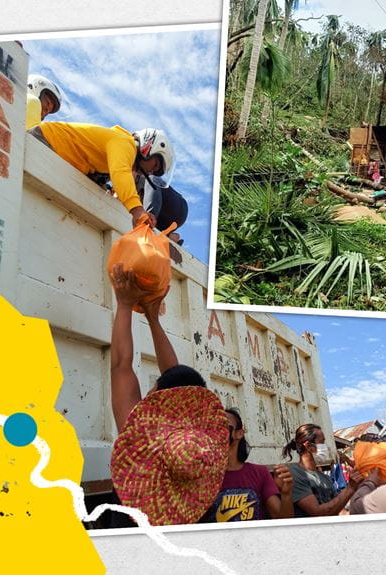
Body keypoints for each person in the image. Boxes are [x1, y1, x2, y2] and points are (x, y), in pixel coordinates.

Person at [108, 263, 228, 526]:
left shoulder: (140, 437)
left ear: (156, 395)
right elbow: (175, 377)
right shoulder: (201, 452)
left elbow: (121, 366)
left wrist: (124, 303)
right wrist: (153, 320)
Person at [30, 122, 175, 229]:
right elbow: (120, 173)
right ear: (149, 147)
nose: (150, 172)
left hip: (52, 151)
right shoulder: (125, 143)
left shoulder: (118, 152)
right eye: (155, 166)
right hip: (45, 140)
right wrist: (137, 210)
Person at [200, 408, 294, 522]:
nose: (217, 431)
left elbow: (283, 520)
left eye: (224, 425)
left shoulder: (260, 473)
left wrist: (286, 494)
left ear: (239, 433)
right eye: (212, 427)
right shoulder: (201, 476)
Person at [282, 424, 364, 517]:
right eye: (322, 442)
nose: (326, 447)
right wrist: (350, 488)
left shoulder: (325, 478)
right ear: (309, 446)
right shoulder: (295, 474)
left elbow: (338, 509)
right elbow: (317, 513)